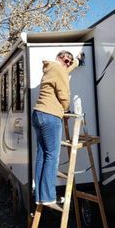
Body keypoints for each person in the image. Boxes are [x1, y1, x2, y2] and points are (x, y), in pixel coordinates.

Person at [32, 50, 83, 205]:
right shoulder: (58, 69)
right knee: (52, 156)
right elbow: (64, 94)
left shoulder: (51, 68)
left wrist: (77, 62)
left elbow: (65, 69)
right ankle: (48, 196)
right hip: (50, 116)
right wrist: (66, 107)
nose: (67, 63)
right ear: (59, 58)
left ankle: (40, 196)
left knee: (42, 155)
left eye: (69, 61)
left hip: (38, 114)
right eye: (66, 59)